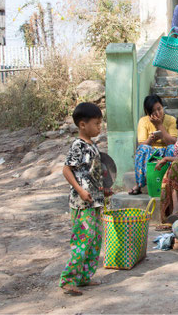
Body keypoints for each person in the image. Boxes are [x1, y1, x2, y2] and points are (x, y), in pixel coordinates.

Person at [59, 103, 112, 296]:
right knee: (82, 240)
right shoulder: (78, 145)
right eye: (97, 123)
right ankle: (68, 280)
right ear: (82, 124)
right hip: (82, 204)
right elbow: (66, 169)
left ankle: (83, 277)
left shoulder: (93, 146)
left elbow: (94, 173)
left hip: (96, 201)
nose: (100, 127)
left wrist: (104, 190)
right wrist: (80, 190)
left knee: (95, 240)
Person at [129, 95, 177, 195]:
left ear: (162, 106)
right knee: (142, 149)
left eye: (159, 109)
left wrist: (160, 126)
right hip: (151, 151)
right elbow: (141, 144)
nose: (157, 113)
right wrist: (150, 140)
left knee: (173, 148)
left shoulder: (171, 120)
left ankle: (171, 182)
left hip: (165, 150)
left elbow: (173, 142)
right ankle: (139, 184)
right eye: (153, 111)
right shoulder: (143, 121)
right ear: (148, 113)